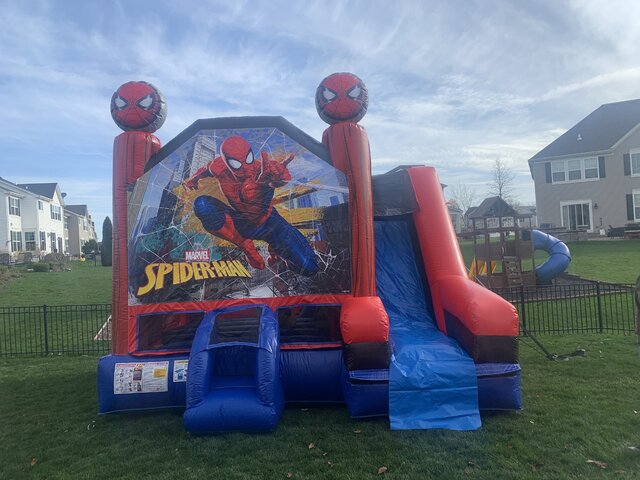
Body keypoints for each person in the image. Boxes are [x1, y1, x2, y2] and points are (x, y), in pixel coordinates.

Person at [184, 136, 318, 276]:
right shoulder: (219, 167)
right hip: (242, 223)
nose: (246, 168)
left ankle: (278, 253)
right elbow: (206, 169)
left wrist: (277, 179)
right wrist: (194, 179)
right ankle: (244, 243)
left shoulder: (264, 171)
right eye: (236, 164)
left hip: (270, 223)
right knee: (202, 204)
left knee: (309, 268)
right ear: (227, 163)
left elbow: (277, 175)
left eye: (248, 159)